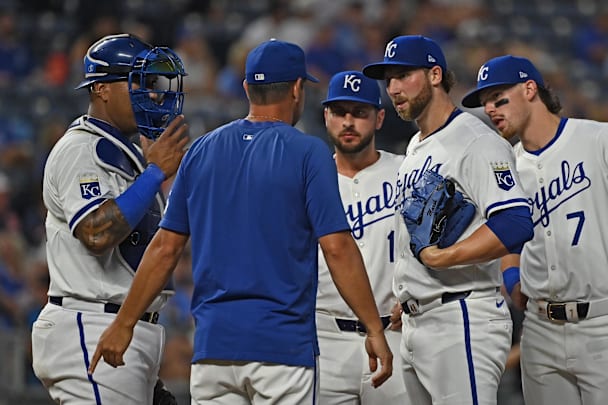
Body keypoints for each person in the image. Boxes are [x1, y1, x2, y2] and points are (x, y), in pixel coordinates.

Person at [89, 39, 393, 404]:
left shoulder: (201, 150)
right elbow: (338, 249)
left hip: (213, 350)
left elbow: (165, 247)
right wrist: (374, 327)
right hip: (281, 349)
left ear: (248, 88)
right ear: (298, 89)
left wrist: (124, 323)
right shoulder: (308, 151)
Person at [461, 55, 608, 405]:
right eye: (484, 103)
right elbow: (507, 231)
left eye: (498, 98)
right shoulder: (505, 165)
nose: (490, 109)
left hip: (604, 325)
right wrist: (512, 279)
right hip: (540, 330)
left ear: (530, 89)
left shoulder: (601, 138)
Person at [362, 35, 534, 405]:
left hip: (461, 316)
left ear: (435, 75)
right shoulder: (415, 148)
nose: (392, 88)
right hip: (417, 320)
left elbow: (516, 223)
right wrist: (410, 291)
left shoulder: (475, 140)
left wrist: (443, 258)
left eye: (404, 75)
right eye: (388, 79)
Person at [31, 33, 188, 404]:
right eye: (136, 83)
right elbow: (96, 232)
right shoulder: (80, 149)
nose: (149, 94)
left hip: (119, 327)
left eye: (151, 83)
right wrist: (154, 174)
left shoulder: (126, 152)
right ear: (101, 88)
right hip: (92, 323)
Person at [316, 70, 408, 405]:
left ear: (379, 117)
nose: (348, 122)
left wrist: (419, 295)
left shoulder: (406, 171)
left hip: (395, 333)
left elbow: (434, 241)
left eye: (360, 113)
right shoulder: (308, 180)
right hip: (325, 337)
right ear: (326, 116)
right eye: (340, 113)